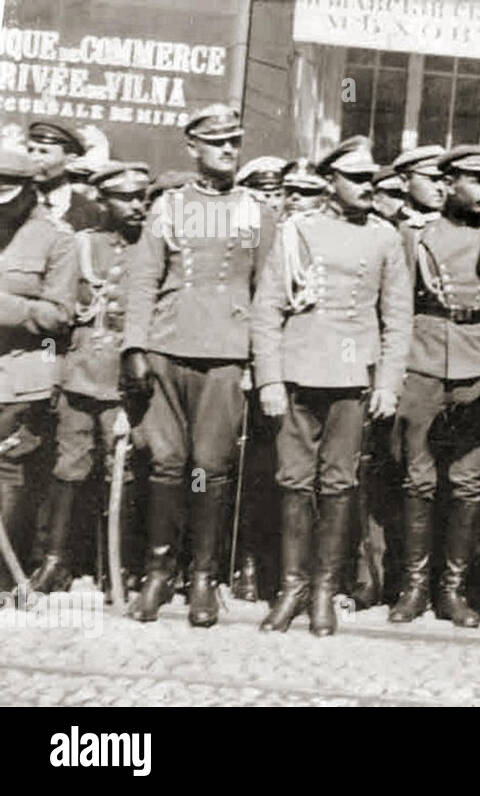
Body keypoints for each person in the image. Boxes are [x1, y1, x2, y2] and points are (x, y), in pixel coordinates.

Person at [120, 104, 276, 626]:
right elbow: (142, 279)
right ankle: (159, 573)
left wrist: (259, 360)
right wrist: (135, 347)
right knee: (166, 463)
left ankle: (204, 577)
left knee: (209, 468)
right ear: (193, 148)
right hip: (168, 344)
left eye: (235, 141)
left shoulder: (255, 211)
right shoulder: (169, 206)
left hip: (226, 353)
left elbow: (266, 289)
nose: (229, 150)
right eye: (217, 143)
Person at [252, 136, 412, 636]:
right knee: (294, 481)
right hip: (299, 371)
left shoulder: (385, 237)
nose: (368, 187)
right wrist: (270, 379)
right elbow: (267, 308)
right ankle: (293, 586)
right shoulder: (296, 231)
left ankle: (326, 588)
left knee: (340, 484)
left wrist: (388, 382)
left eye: (371, 179)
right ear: (330, 182)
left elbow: (398, 316)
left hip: (351, 376)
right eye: (357, 179)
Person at [388, 145, 480, 627]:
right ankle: (413, 587)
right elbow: (394, 305)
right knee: (418, 478)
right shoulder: (415, 236)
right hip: (424, 359)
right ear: (449, 182)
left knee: (467, 483)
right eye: (474, 179)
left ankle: (452, 592)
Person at [28, 162, 151, 594]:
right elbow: (58, 314)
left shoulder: (153, 249)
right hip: (81, 375)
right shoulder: (79, 245)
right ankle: (57, 560)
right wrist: (53, 372)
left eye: (142, 197)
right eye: (126, 197)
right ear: (103, 200)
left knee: (127, 470)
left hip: (128, 380)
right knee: (69, 467)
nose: (137, 205)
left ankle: (123, 565)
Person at [0, 149, 77, 592]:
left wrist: (8, 308)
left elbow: (59, 315)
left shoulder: (56, 238)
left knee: (8, 473)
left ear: (30, 190)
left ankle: (4, 576)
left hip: (19, 377)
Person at [25, 121, 103, 231]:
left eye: (44, 152)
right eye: (30, 150)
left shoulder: (89, 210)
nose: (33, 158)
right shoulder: (13, 200)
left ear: (70, 159)